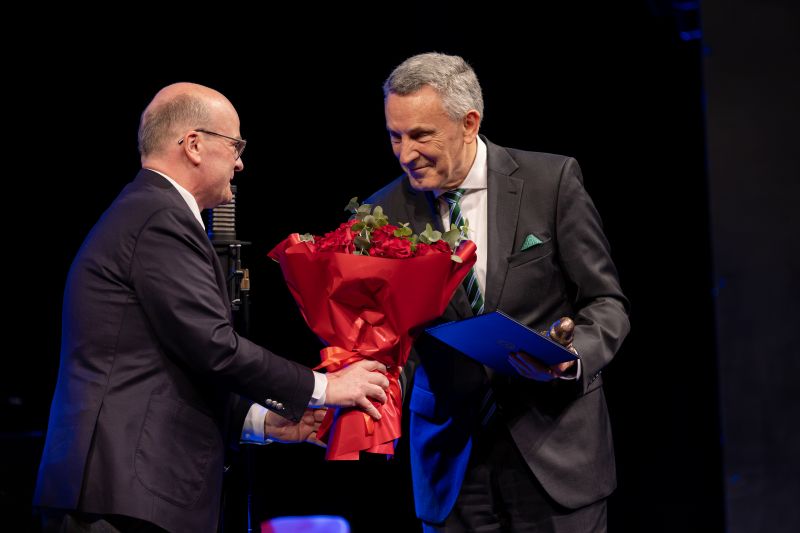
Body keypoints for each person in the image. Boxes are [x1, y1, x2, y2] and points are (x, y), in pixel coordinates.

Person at [33, 82, 390, 533]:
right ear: (194, 145)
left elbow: (168, 363)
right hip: (121, 494)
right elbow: (213, 347)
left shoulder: (149, 211)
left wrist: (262, 421)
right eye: (235, 145)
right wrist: (324, 387)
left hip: (126, 490)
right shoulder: (159, 216)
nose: (241, 163)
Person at [366, 53, 630, 532]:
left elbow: (606, 302)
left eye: (421, 135)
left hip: (556, 452)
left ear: (469, 123)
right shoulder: (380, 214)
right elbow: (389, 340)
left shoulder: (550, 182)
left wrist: (571, 358)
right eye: (394, 136)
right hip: (452, 463)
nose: (405, 154)